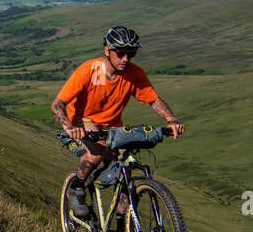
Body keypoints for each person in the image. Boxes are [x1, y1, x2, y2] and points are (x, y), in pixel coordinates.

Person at [51, 26, 185, 219]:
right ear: (107, 50)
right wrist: (69, 127)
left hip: (113, 125)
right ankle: (76, 187)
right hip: (83, 120)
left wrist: (171, 119)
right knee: (98, 150)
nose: (125, 59)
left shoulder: (134, 73)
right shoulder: (89, 70)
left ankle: (125, 222)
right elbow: (58, 103)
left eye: (131, 54)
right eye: (120, 53)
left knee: (128, 162)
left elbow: (154, 100)